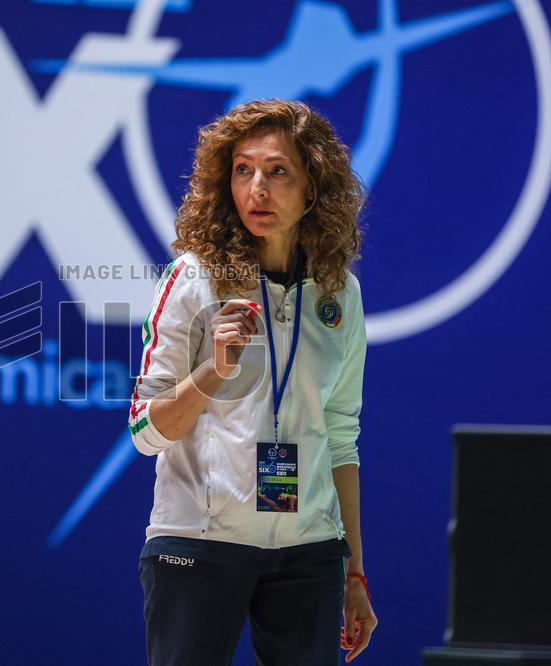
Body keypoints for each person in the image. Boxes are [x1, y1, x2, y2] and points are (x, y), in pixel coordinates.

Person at [128, 99, 378, 665]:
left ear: (313, 187)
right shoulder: (193, 279)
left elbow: (341, 437)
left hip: (309, 552)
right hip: (199, 543)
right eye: (243, 169)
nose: (257, 188)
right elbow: (145, 430)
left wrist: (353, 570)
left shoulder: (341, 293)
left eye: (277, 171)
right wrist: (214, 371)